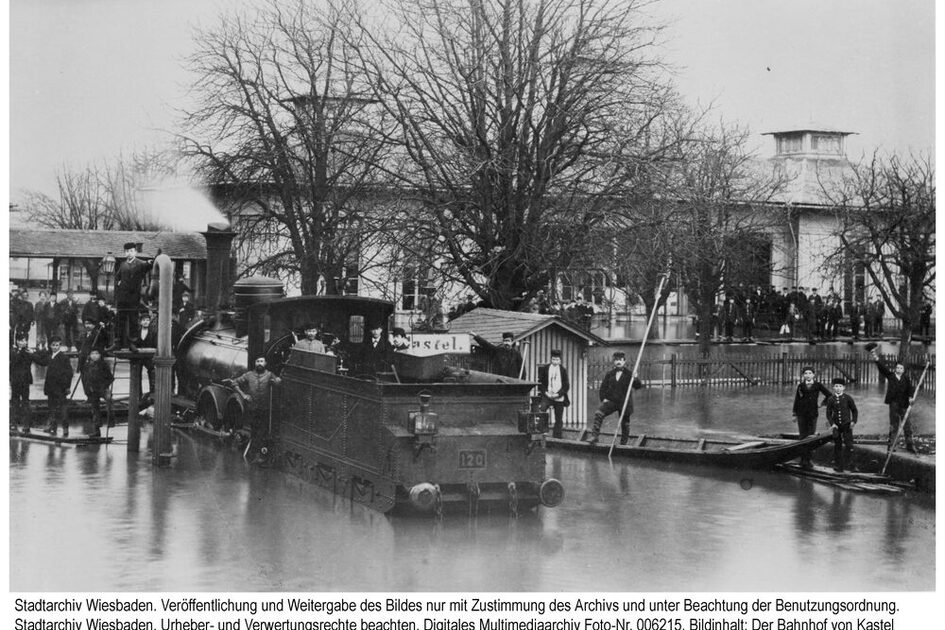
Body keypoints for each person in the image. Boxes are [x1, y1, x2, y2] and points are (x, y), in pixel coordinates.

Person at [585, 351, 642, 445]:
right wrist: (603, 399)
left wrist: (635, 378)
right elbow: (603, 388)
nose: (618, 362)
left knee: (625, 424)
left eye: (620, 360)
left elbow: (638, 386)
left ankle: (623, 444)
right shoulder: (610, 374)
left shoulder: (629, 374)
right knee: (599, 413)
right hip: (612, 401)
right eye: (616, 360)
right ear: (614, 362)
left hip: (625, 403)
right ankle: (594, 436)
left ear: (624, 361)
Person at [870, 348, 917, 453]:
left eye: (901, 368)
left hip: (904, 405)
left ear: (903, 370)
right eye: (898, 367)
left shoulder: (906, 379)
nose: (899, 369)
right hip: (894, 404)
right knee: (894, 425)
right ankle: (892, 445)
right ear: (895, 368)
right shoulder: (891, 376)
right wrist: (875, 357)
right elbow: (882, 368)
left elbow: (910, 389)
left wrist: (911, 397)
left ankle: (910, 445)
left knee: (907, 425)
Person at [227, 357, 282, 446]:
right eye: (258, 361)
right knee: (254, 430)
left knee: (264, 431)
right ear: (255, 363)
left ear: (265, 363)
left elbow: (278, 382)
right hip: (252, 409)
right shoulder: (248, 375)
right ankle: (253, 449)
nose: (259, 363)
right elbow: (234, 383)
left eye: (261, 361)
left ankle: (261, 450)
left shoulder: (270, 375)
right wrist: (243, 395)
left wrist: (278, 381)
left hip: (265, 409)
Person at [108, 242, 152, 352]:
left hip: (133, 298)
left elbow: (149, 265)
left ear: (135, 252)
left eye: (131, 251)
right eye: (127, 251)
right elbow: (117, 277)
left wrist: (152, 262)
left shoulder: (141, 264)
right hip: (122, 298)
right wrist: (119, 285)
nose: (129, 253)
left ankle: (132, 343)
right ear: (125, 253)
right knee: (119, 320)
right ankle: (117, 342)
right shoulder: (122, 265)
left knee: (133, 320)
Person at [791, 367, 832, 469]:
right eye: (805, 373)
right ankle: (802, 460)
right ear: (803, 375)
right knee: (802, 437)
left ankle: (808, 460)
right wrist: (795, 414)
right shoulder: (801, 386)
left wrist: (822, 404)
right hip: (801, 414)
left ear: (813, 375)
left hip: (813, 414)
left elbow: (829, 395)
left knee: (810, 437)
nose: (808, 375)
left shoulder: (818, 385)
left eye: (810, 373)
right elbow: (797, 399)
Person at [39, 336, 74, 438]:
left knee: (63, 408)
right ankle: (52, 427)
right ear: (50, 346)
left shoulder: (63, 357)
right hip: (51, 387)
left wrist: (67, 386)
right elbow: (41, 362)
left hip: (61, 388)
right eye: (53, 345)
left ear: (60, 345)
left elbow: (69, 373)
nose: (55, 347)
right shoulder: (50, 356)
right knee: (52, 408)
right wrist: (31, 354)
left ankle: (65, 428)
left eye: (57, 345)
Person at [825, 377, 858, 472]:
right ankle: (839, 466)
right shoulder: (831, 399)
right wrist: (832, 424)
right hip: (836, 426)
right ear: (833, 387)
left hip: (847, 425)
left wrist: (853, 421)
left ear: (844, 388)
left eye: (840, 386)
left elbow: (854, 410)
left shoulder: (848, 398)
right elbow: (828, 413)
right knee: (837, 445)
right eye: (836, 386)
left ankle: (852, 465)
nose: (838, 388)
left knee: (849, 445)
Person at [80, 348, 114, 438]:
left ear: (100, 355)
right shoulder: (87, 366)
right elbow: (85, 380)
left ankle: (110, 420)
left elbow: (111, 378)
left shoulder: (103, 364)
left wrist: (103, 386)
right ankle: (96, 430)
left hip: (103, 388)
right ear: (90, 355)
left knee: (109, 399)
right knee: (95, 410)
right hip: (92, 390)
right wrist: (87, 391)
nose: (94, 355)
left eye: (96, 353)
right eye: (92, 353)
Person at [537, 349, 570, 438]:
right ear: (551, 359)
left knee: (559, 417)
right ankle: (543, 431)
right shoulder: (546, 368)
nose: (555, 361)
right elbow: (541, 383)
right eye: (553, 359)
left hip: (558, 396)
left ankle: (557, 436)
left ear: (560, 360)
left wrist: (558, 394)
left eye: (557, 360)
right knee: (542, 410)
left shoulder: (563, 370)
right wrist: (546, 392)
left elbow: (566, 386)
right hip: (547, 395)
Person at [10, 334, 38, 433]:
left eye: (23, 340)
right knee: (15, 402)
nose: (21, 342)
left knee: (25, 402)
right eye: (19, 340)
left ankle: (26, 424)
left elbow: (38, 359)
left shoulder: (27, 352)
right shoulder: (13, 351)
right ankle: (13, 423)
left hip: (24, 380)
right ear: (16, 341)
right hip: (15, 380)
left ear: (26, 341)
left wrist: (32, 352)